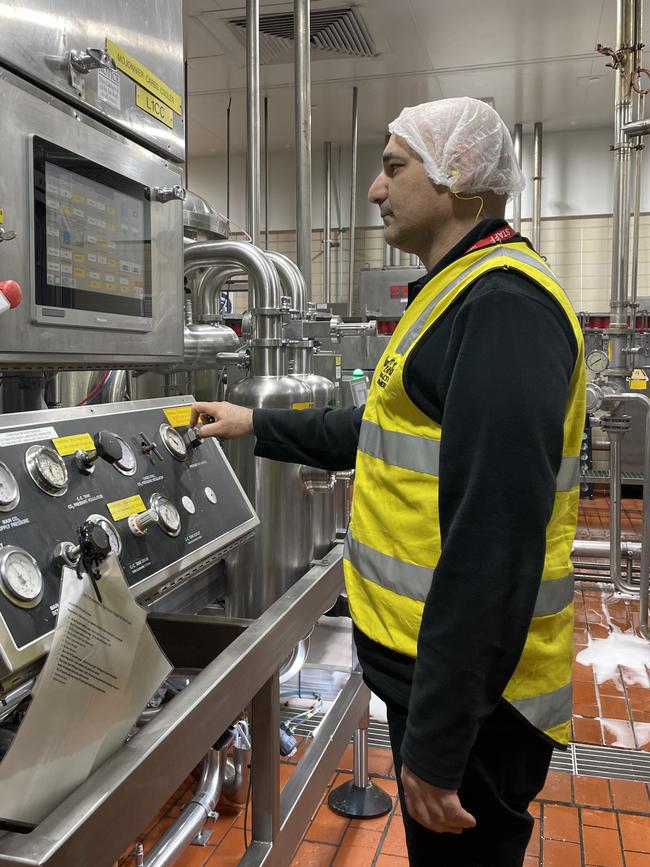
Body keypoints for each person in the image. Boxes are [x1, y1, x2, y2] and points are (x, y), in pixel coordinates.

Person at [190, 97, 585, 867]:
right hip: (438, 674)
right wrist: (255, 423)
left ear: (458, 176)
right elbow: (380, 431)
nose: (375, 188)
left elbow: (495, 543)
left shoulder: (502, 306)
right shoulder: (453, 291)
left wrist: (438, 741)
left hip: (480, 702)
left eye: (394, 166)